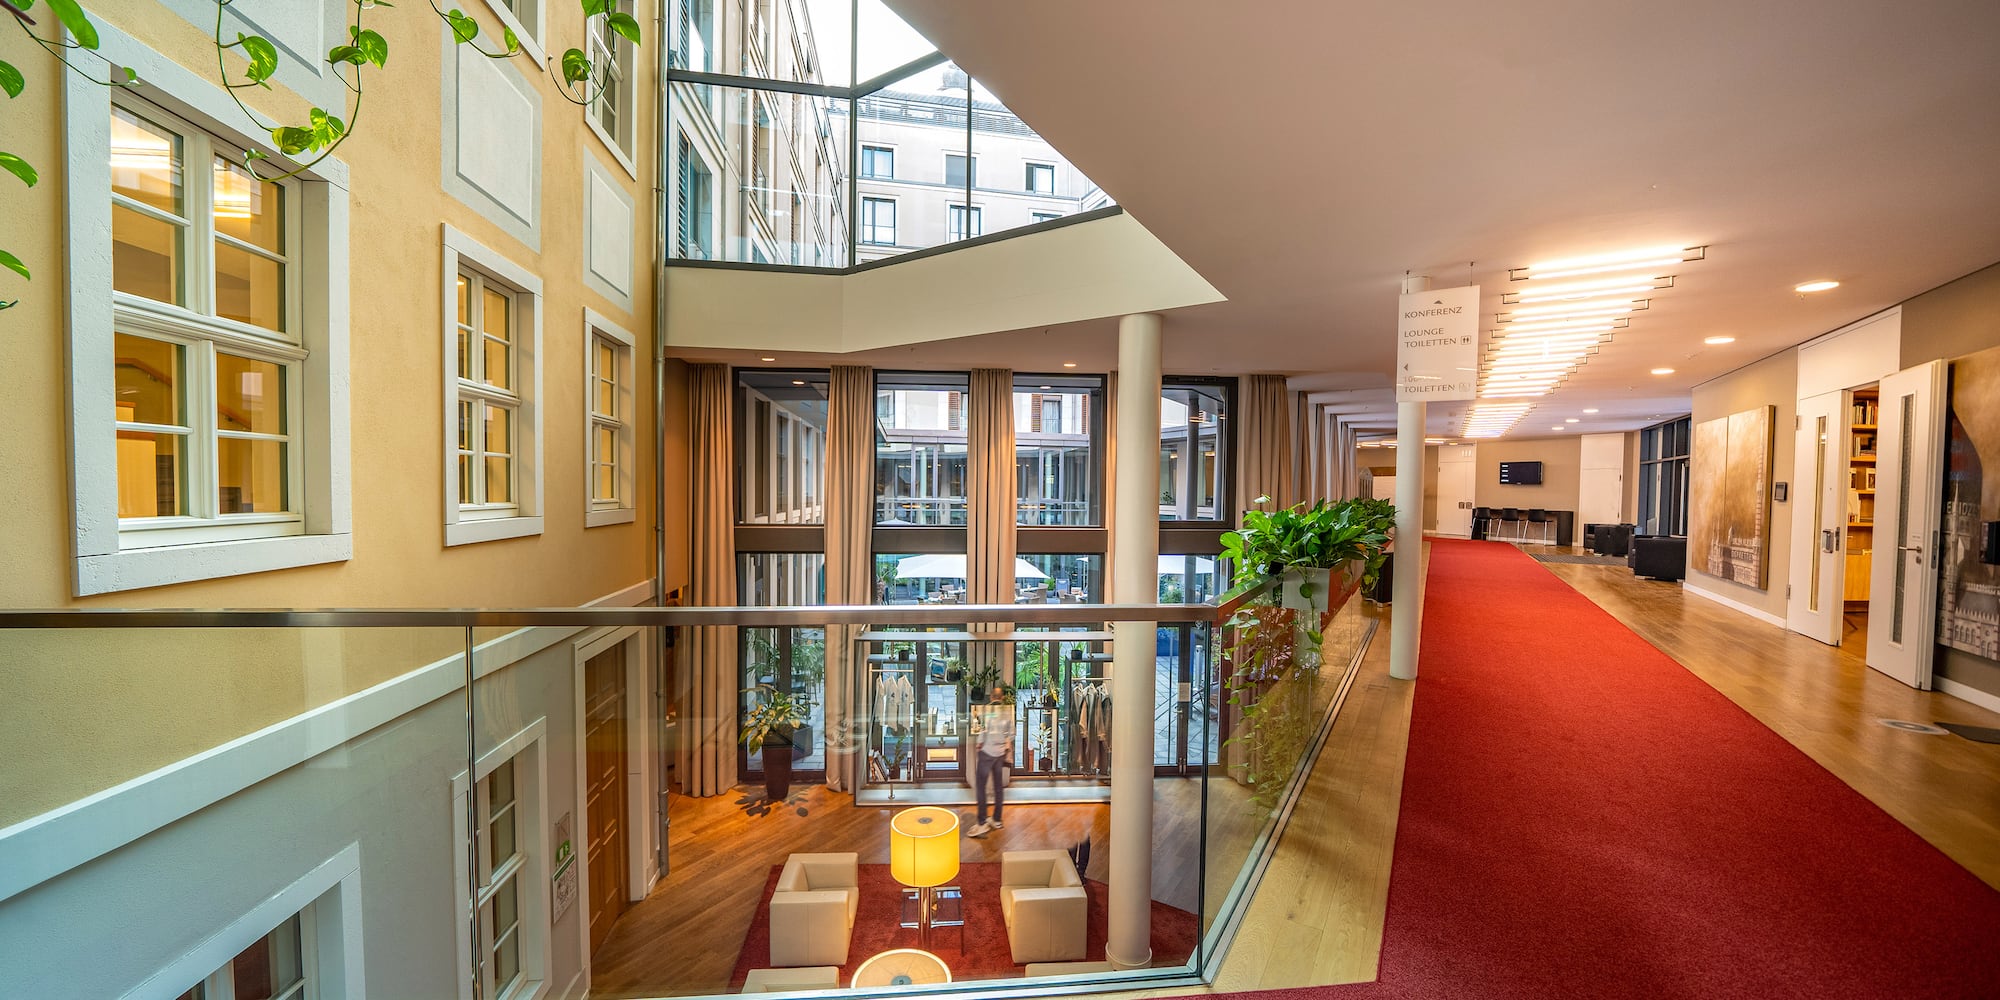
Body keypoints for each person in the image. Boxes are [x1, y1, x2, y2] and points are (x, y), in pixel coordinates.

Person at [967, 686, 1013, 838]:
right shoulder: (1008, 710)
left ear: (992, 697)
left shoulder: (987, 709)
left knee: (981, 786)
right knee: (998, 786)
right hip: (1000, 754)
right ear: (1002, 698)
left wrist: (979, 744)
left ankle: (981, 822)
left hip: (987, 752)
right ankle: (997, 819)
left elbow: (983, 730)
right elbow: (1011, 733)